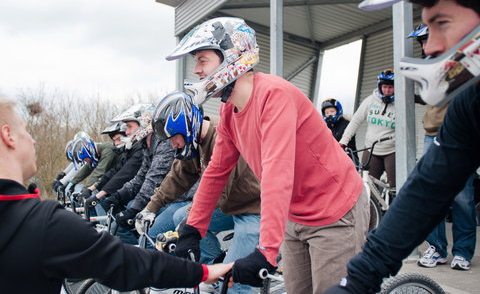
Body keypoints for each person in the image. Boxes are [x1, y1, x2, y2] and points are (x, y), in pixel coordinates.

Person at [323, 0, 480, 293]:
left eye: (441, 23)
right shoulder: (468, 107)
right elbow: (426, 190)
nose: (428, 47)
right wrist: (357, 279)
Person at [164, 17, 369, 293]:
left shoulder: (274, 96)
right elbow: (215, 172)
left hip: (334, 211)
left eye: (202, 60)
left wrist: (266, 251)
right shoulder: (228, 112)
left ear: (231, 57)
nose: (197, 70)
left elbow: (277, 173)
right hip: (294, 217)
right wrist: (192, 228)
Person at [0, 97, 232, 293]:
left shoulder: (169, 143)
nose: (33, 140)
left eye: (127, 128)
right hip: (173, 202)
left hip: (203, 202)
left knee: (174, 222)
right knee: (154, 230)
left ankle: (210, 262)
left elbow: (149, 178)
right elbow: (130, 178)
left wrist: (128, 204)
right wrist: (200, 274)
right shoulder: (45, 223)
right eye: (25, 130)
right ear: (8, 135)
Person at [136, 91, 261, 294]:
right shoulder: (193, 142)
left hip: (256, 209)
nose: (172, 144)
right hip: (232, 206)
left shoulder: (222, 134)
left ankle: (226, 277)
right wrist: (150, 208)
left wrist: (190, 223)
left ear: (185, 127)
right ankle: (215, 262)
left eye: (173, 138)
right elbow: (177, 177)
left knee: (233, 281)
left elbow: (220, 189)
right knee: (179, 215)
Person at [408, 25, 477, 270]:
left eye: (426, 39)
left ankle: (463, 252)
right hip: (432, 135)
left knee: (463, 198)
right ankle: (436, 249)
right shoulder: (426, 67)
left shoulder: (460, 61)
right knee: (431, 197)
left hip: (461, 137)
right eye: (421, 41)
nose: (424, 45)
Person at [339, 69, 396, 188]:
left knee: (395, 187)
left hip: (392, 150)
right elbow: (355, 121)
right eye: (384, 87)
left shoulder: (401, 103)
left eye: (390, 87)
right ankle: (373, 207)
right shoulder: (370, 101)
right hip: (371, 149)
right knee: (365, 185)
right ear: (379, 86)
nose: (387, 90)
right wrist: (344, 141)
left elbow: (410, 130)